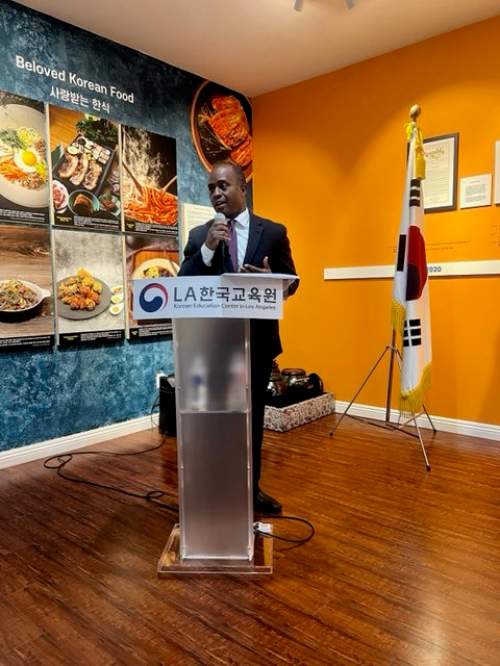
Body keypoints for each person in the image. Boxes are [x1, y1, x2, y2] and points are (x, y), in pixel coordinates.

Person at [178, 161, 298, 514]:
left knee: (251, 419)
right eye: (211, 188)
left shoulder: (273, 232)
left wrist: (271, 279)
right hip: (211, 345)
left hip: (256, 345)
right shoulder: (199, 236)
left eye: (223, 186)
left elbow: (293, 281)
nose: (216, 193)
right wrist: (207, 250)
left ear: (242, 187)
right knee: (216, 419)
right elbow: (183, 284)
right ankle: (214, 486)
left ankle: (250, 489)